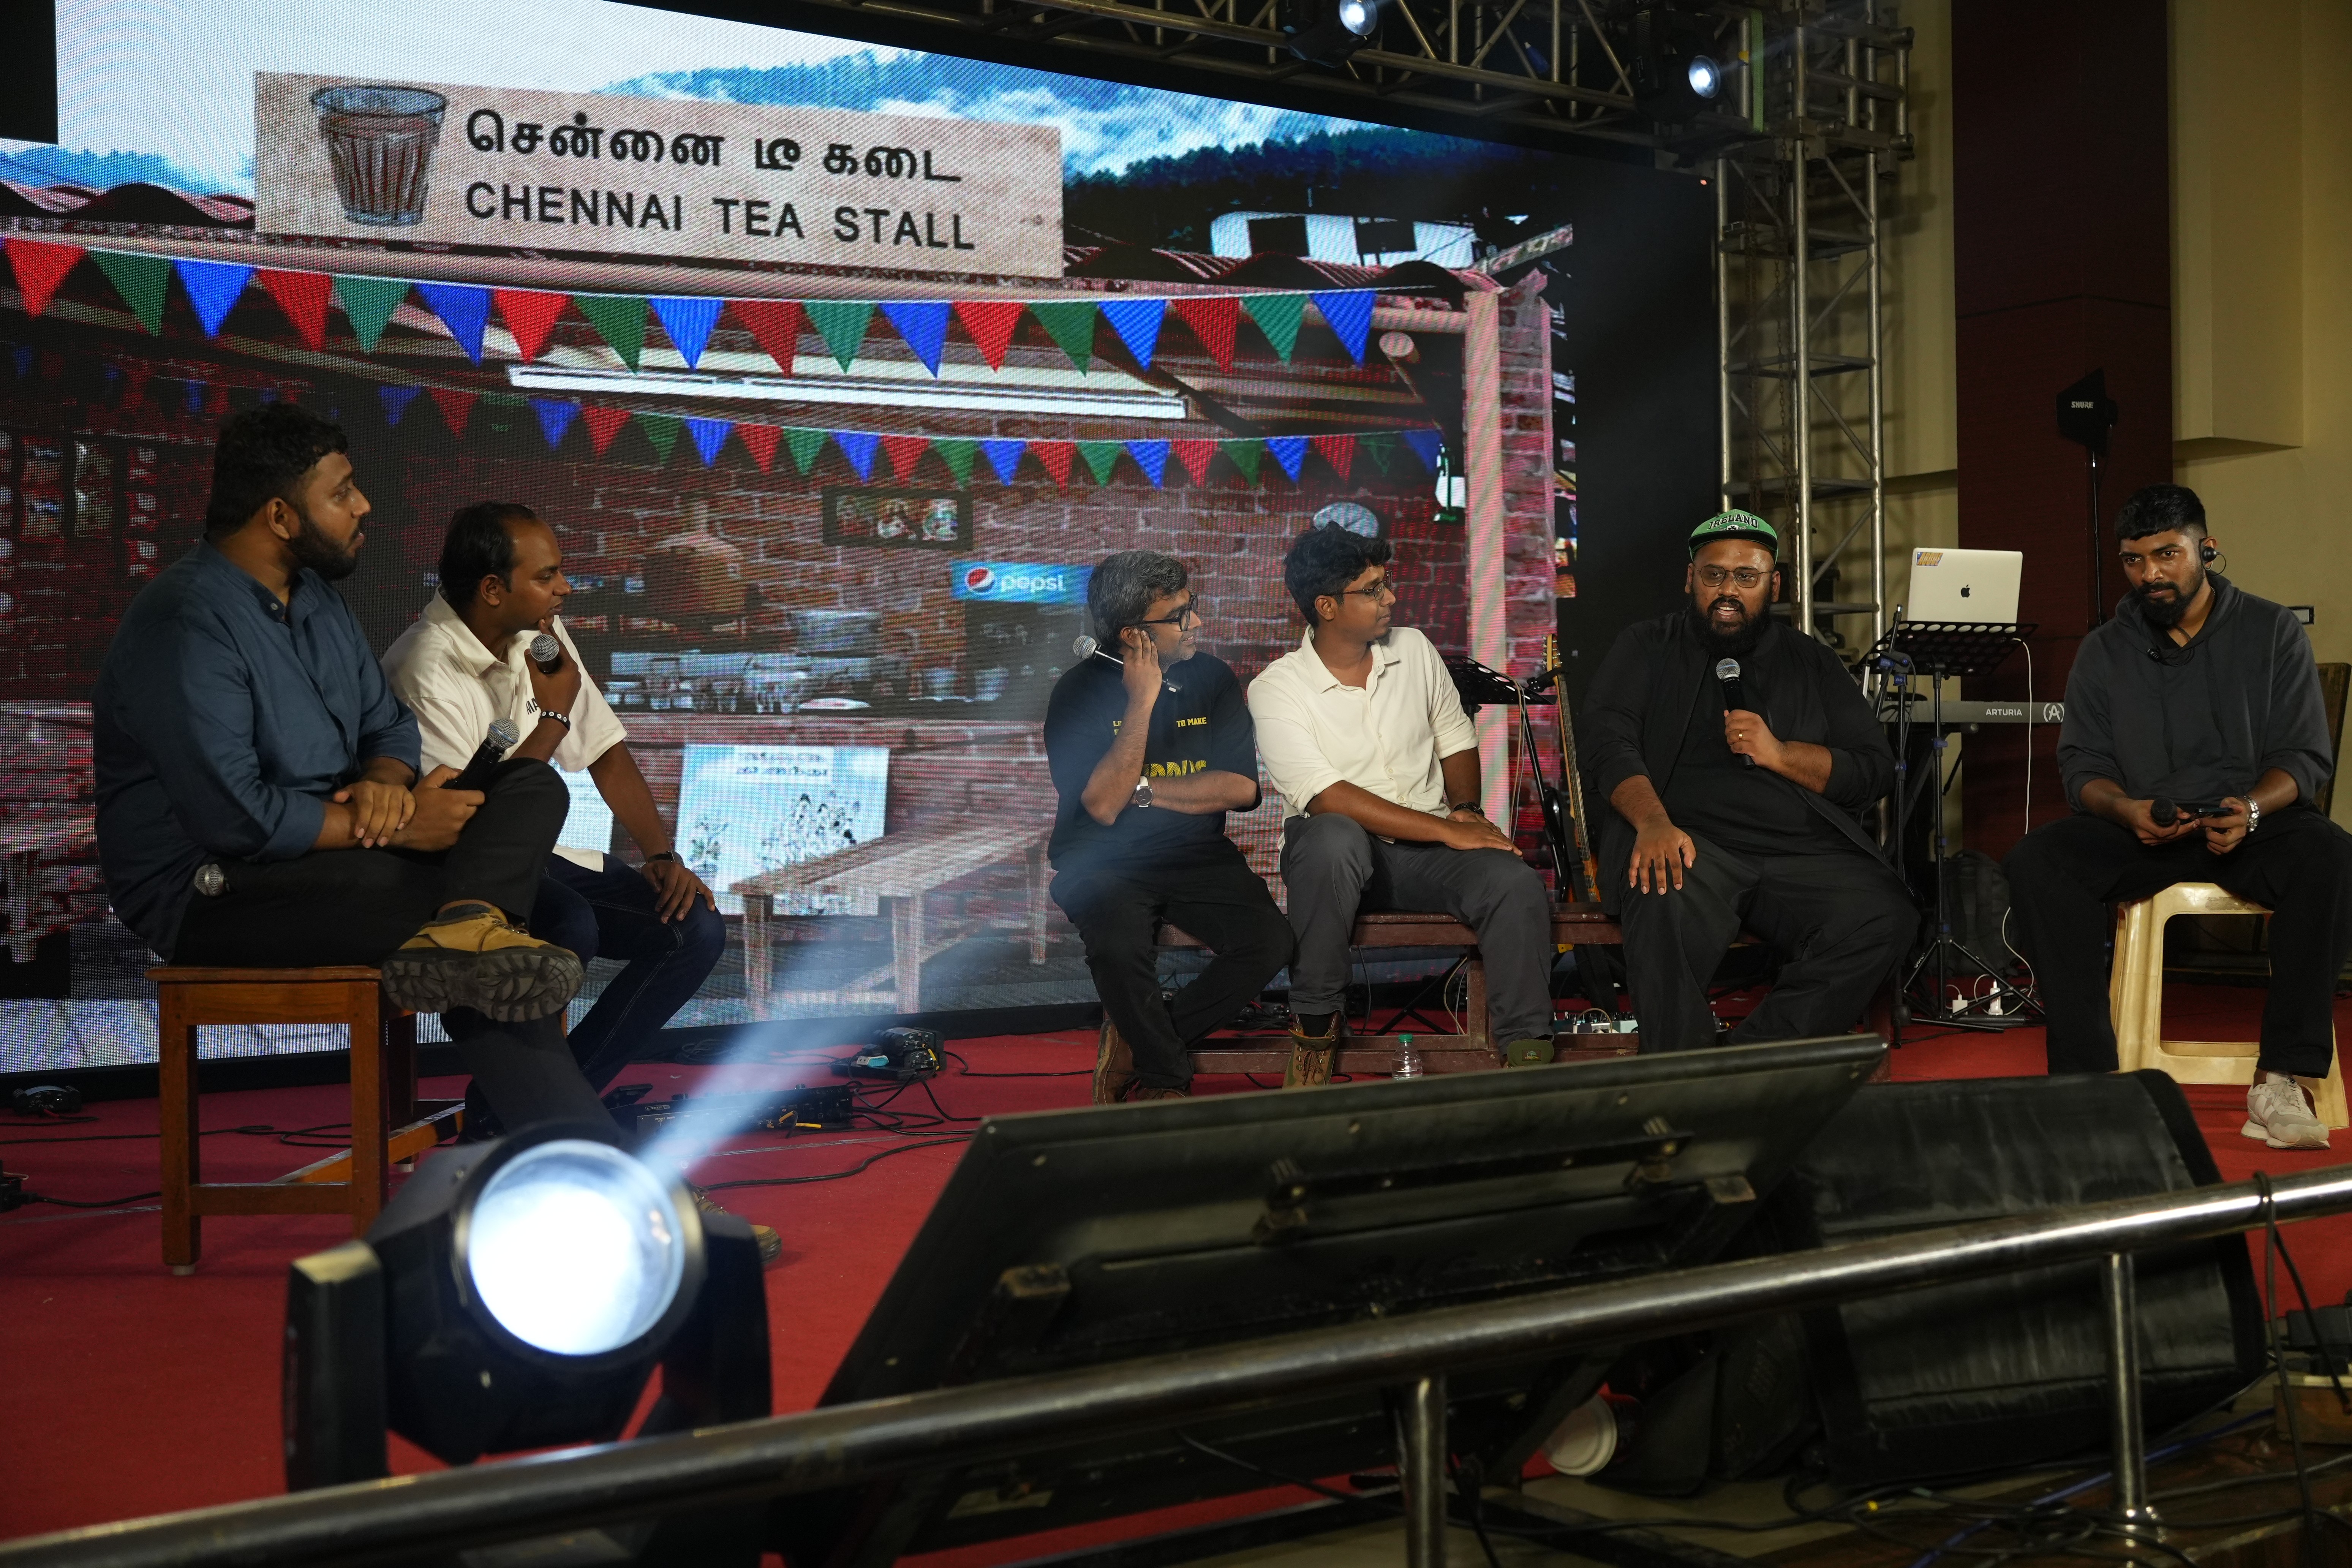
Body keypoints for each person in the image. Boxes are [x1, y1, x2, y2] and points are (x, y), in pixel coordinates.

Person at [93, 405, 603, 1133]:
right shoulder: (186, 620)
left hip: (340, 853)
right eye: (341, 492)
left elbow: (388, 725)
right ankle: (605, 1177)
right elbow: (234, 818)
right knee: (493, 944)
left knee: (529, 791)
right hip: (215, 890)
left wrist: (389, 786)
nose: (363, 505)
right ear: (279, 514)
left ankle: (470, 937)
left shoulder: (320, 603)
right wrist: (393, 829)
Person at [2004, 484, 2352, 1149]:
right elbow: (2081, 767)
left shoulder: (2272, 630)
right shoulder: (2105, 649)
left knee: (2332, 855)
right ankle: (2091, 1085)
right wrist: (2126, 808)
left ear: (2207, 549)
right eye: (2135, 561)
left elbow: (2304, 757)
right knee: (2037, 861)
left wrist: (2251, 809)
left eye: (2168, 555)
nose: (2151, 575)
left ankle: (2280, 1079)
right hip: (2146, 827)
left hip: (2248, 822)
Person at [380, 504, 726, 1113]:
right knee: (570, 926)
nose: (564, 587)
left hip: (535, 860)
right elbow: (477, 822)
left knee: (692, 926)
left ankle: (534, 1108)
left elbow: (606, 751)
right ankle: (543, 1114)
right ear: (493, 590)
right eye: (547, 576)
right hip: (459, 873)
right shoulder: (424, 666)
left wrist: (661, 855)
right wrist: (554, 716)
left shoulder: (539, 633)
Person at [1580, 511, 1913, 1054]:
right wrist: (1652, 821)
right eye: (1714, 576)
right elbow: (1604, 744)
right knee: (1659, 887)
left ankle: (1752, 1059)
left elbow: (1874, 767)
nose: (1727, 591)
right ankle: (1680, 1074)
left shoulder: (1810, 660)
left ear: (1774, 584)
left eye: (1746, 577)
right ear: (1690, 579)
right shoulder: (1646, 646)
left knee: (1885, 916)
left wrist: (1781, 754)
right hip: (1689, 843)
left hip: (1797, 850)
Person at [1249, 525, 1555, 1084]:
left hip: (1423, 855)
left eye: (1387, 584)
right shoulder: (1277, 687)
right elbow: (1324, 795)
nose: (1391, 598)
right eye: (1373, 589)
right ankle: (1315, 1030)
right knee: (1334, 835)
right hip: (1336, 862)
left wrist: (1463, 811)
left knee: (1513, 881)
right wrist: (1446, 831)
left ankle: (1527, 1054)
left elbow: (1456, 740)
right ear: (1327, 606)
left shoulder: (1413, 649)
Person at [1045, 551, 1291, 1102]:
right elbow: (1104, 808)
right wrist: (1143, 701)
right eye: (1180, 615)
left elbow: (1241, 789)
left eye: (1192, 607)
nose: (1196, 623)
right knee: (1117, 946)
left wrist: (1146, 791)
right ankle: (1164, 1081)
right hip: (1099, 859)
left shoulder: (1213, 679)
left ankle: (1150, 1044)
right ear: (1135, 635)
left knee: (1270, 941)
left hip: (1194, 855)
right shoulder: (1077, 693)